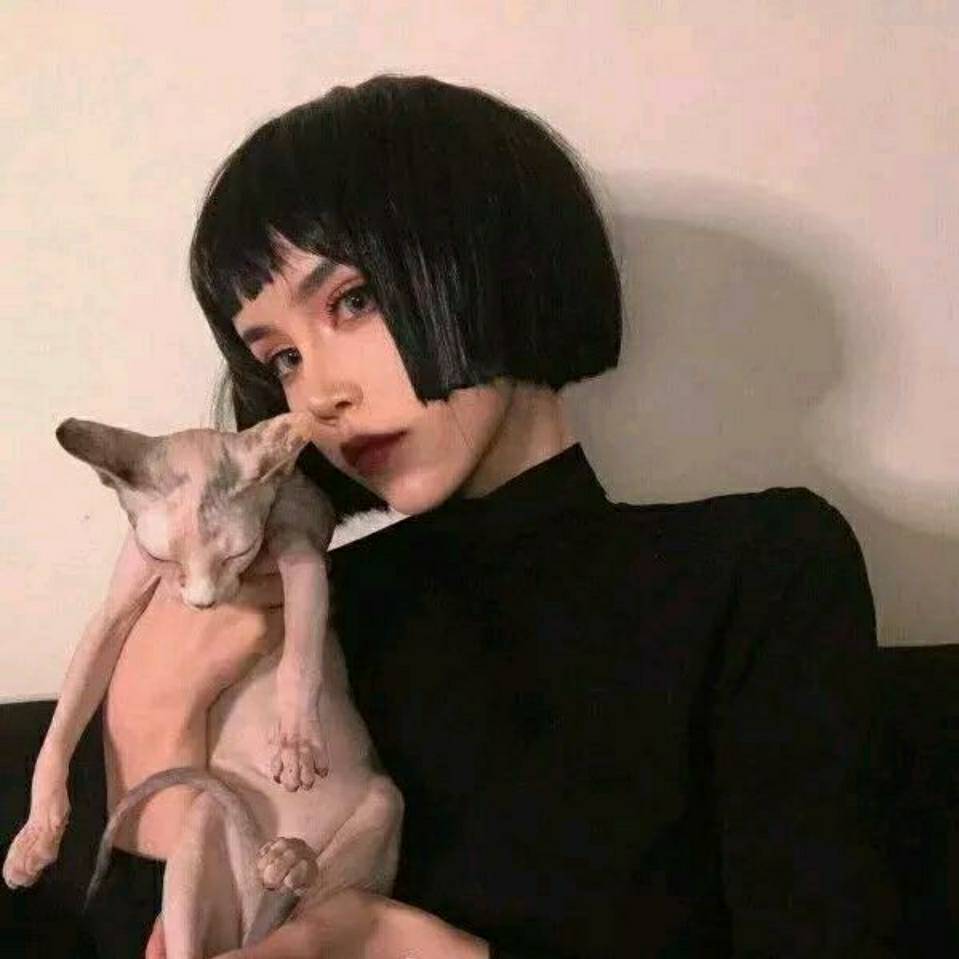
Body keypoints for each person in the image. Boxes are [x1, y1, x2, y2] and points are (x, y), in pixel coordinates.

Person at [17, 74, 900, 957]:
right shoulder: (299, 610)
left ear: (493, 259)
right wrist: (148, 714)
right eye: (282, 357)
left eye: (353, 301)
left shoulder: (754, 568)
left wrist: (393, 943)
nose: (319, 393)